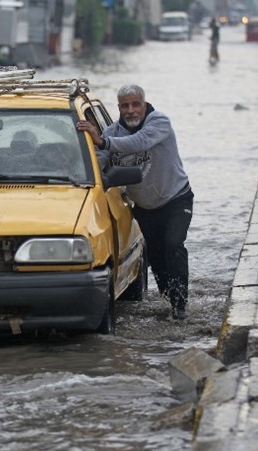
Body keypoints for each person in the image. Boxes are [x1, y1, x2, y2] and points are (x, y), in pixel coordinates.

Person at [76, 85, 193, 320]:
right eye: (124, 106)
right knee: (157, 259)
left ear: (144, 104)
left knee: (173, 245)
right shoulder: (112, 132)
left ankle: (181, 308)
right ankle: (168, 300)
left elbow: (139, 141)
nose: (130, 110)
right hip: (144, 208)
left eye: (135, 104)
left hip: (175, 199)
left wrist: (104, 143)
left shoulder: (159, 122)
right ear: (118, 108)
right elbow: (98, 160)